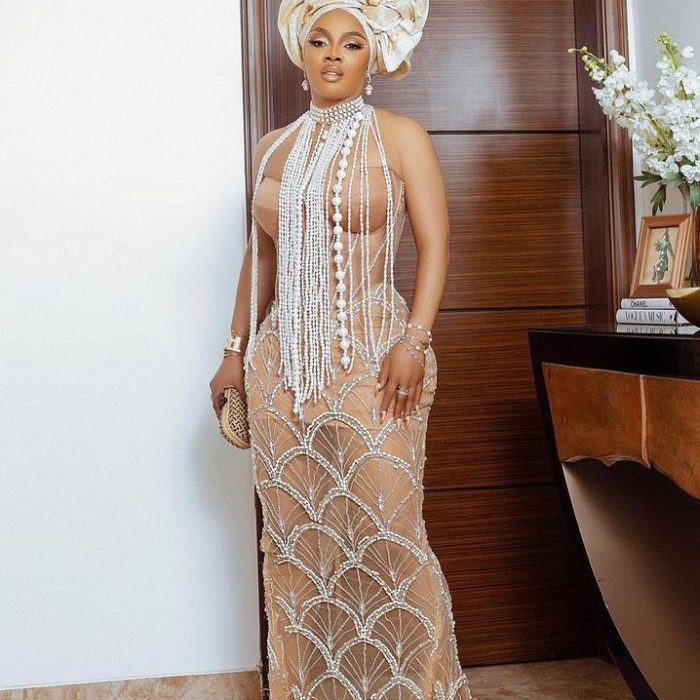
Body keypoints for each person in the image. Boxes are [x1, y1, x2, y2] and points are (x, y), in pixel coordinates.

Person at [210, 0, 472, 696]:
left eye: (351, 43)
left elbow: (437, 243)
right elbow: (261, 256)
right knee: (297, 545)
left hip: (376, 357)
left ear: (371, 56)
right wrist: (234, 350)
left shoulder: (401, 137)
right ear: (301, 54)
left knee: (390, 535)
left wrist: (414, 340)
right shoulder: (272, 147)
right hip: (282, 368)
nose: (333, 54)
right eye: (320, 41)